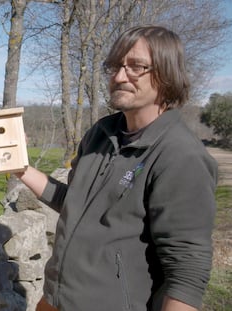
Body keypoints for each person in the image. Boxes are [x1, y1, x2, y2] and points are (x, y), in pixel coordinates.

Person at [15, 25, 218, 311]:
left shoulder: (180, 156)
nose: (120, 77)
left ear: (167, 74)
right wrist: (21, 168)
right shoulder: (101, 133)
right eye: (115, 66)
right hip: (55, 300)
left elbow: (187, 271)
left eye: (136, 67)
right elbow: (74, 203)